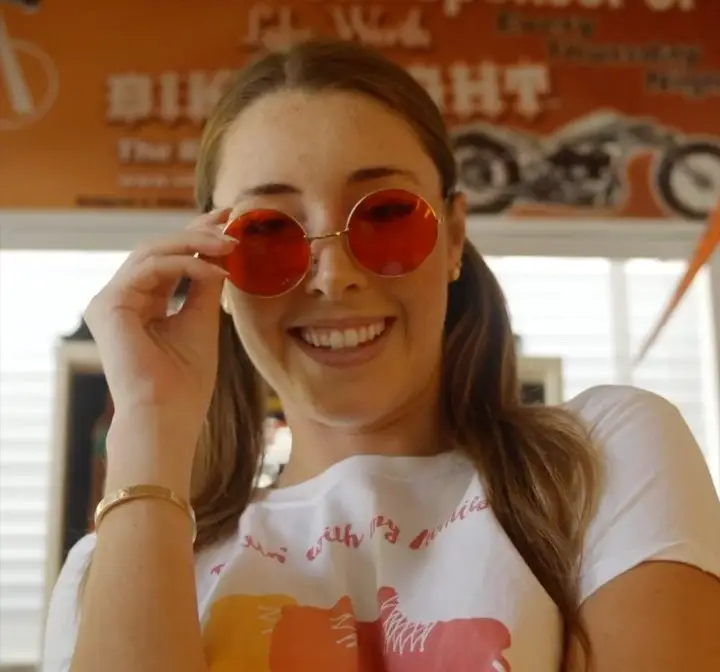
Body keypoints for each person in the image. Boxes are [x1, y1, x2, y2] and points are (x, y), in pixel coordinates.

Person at [42, 40, 720, 672]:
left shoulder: (598, 461)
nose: (333, 275)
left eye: (386, 215)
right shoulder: (112, 567)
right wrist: (150, 421)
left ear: (453, 237)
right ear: (216, 269)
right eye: (269, 230)